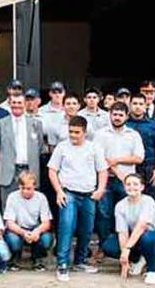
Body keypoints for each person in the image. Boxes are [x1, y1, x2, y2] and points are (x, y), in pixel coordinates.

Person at [47, 116, 108, 281]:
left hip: (89, 194)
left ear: (85, 132)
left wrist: (100, 189)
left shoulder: (94, 148)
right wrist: (59, 191)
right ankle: (62, 264)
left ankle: (80, 261)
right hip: (68, 193)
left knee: (87, 229)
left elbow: (103, 170)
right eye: (71, 132)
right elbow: (52, 170)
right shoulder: (62, 147)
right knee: (66, 227)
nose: (73, 135)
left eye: (77, 132)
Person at [93, 102, 144, 255]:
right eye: (114, 114)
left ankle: (130, 248)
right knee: (104, 215)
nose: (117, 117)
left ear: (126, 116)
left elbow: (139, 158)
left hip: (127, 183)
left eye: (120, 115)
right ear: (110, 115)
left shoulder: (133, 135)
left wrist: (117, 160)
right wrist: (115, 169)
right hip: (106, 180)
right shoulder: (101, 134)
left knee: (128, 214)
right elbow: (98, 158)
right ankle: (104, 247)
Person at [100, 173, 155, 285]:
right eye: (128, 184)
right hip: (136, 238)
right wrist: (124, 255)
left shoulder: (148, 201)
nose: (132, 187)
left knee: (147, 237)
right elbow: (122, 232)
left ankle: (152, 271)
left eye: (135, 184)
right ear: (124, 186)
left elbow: (141, 226)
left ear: (142, 187)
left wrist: (127, 248)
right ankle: (136, 260)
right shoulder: (120, 205)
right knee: (108, 246)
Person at [0, 94, 45, 207]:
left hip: (29, 170)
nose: (16, 105)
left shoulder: (36, 123)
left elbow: (40, 146)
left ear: (25, 104)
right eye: (14, 102)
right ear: (9, 104)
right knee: (8, 206)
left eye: (19, 102)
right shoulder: (1, 123)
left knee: (31, 206)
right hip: (9, 172)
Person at [3, 171, 53, 271]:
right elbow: (9, 222)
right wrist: (23, 233)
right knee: (13, 240)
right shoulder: (12, 197)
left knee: (46, 239)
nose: (25, 191)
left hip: (35, 228)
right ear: (19, 186)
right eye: (23, 188)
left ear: (34, 186)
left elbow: (46, 223)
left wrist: (37, 232)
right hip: (18, 228)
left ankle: (37, 258)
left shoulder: (41, 198)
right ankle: (15, 257)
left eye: (29, 188)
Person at [128, 93, 155, 203]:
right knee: (131, 198)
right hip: (130, 166)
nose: (138, 106)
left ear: (146, 106)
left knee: (152, 199)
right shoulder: (124, 124)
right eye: (135, 103)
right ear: (130, 105)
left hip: (150, 167)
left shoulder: (154, 125)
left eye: (141, 104)